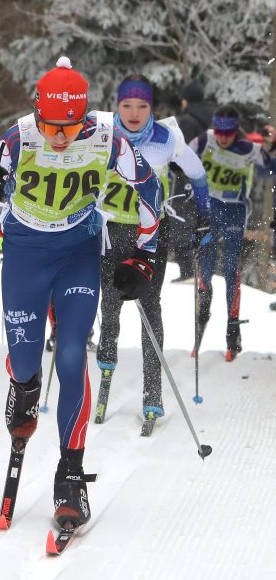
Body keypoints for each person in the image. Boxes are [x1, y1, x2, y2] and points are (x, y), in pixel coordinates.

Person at [0, 57, 163, 530]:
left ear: (85, 115)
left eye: (70, 127)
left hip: (77, 252)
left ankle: (71, 477)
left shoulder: (108, 139)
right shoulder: (17, 138)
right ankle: (23, 385)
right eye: (51, 126)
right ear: (37, 112)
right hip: (25, 253)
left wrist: (145, 257)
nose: (61, 138)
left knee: (71, 354)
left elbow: (150, 193)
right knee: (26, 362)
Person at [95, 74, 210, 422]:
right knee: (110, 306)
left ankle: (153, 389)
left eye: (142, 105)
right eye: (126, 105)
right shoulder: (101, 134)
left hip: (150, 236)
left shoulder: (164, 138)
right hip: (109, 232)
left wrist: (203, 214)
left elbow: (198, 172)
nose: (134, 112)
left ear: (152, 108)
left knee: (150, 308)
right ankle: (105, 371)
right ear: (116, 105)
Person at [189, 107, 276, 361]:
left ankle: (233, 331)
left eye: (228, 132)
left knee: (230, 269)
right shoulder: (205, 140)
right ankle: (200, 323)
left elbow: (271, 166)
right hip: (207, 211)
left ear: (236, 130)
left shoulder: (250, 148)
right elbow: (180, 157)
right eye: (220, 132)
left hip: (235, 211)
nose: (223, 137)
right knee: (204, 271)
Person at [170, 80, 217, 282]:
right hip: (212, 178)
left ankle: (188, 269)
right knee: (203, 220)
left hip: (188, 178)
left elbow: (182, 152)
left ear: (186, 100)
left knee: (181, 219)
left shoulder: (187, 121)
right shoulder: (215, 119)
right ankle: (203, 268)